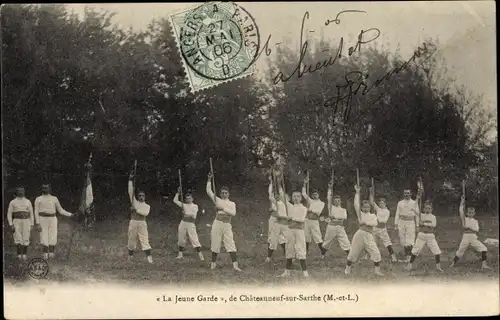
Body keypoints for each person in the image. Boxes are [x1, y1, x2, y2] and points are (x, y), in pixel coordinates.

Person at [206, 172, 242, 271]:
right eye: (222, 193)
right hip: (217, 223)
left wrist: (221, 208)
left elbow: (233, 213)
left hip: (227, 225)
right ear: (220, 194)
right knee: (215, 243)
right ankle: (213, 264)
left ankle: (235, 265)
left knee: (230, 243)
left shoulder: (232, 203)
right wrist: (209, 179)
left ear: (228, 194)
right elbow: (209, 191)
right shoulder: (217, 200)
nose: (224, 194)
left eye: (226, 193)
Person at [345, 185, 383, 276]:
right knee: (353, 252)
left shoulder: (373, 215)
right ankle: (347, 269)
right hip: (360, 235)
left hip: (369, 235)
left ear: (370, 208)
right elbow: (356, 204)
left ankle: (377, 271)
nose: (366, 209)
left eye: (368, 207)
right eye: (364, 207)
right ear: (361, 208)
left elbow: (374, 223)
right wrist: (357, 192)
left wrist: (365, 222)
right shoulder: (360, 214)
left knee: (376, 252)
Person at [450, 195, 491, 270]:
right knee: (460, 251)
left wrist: (469, 227)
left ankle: (484, 265)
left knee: (484, 249)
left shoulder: (475, 221)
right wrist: (462, 201)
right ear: (467, 213)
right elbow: (461, 210)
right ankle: (453, 264)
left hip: (473, 237)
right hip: (466, 237)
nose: (470, 213)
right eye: (469, 212)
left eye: (472, 212)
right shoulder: (464, 219)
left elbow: (477, 229)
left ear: (474, 213)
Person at [34, 184, 74, 259]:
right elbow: (36, 211)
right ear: (42, 189)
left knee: (53, 235)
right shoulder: (38, 199)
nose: (45, 189)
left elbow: (61, 210)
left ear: (50, 189)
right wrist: (38, 223)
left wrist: (71, 214)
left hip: (52, 219)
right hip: (42, 219)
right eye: (44, 188)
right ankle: (45, 254)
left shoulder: (54, 198)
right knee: (43, 235)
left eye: (47, 188)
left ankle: (51, 254)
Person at [405, 201, 443, 272]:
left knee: (436, 251)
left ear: (431, 209)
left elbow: (434, 225)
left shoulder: (433, 217)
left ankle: (438, 267)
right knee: (415, 250)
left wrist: (424, 223)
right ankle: (409, 266)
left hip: (430, 236)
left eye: (429, 208)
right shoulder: (421, 215)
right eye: (426, 208)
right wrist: (418, 195)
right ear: (424, 209)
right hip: (421, 235)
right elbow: (413, 209)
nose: (427, 209)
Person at [279, 190, 309, 278]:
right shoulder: (290, 207)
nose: (296, 198)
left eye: (298, 196)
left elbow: (302, 219)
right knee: (289, 249)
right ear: (292, 198)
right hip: (290, 230)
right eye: (294, 196)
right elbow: (282, 196)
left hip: (299, 231)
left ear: (301, 198)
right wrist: (279, 181)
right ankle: (287, 271)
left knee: (301, 249)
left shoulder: (303, 208)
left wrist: (291, 218)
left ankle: (305, 272)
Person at [127, 171, 153, 263]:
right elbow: (130, 191)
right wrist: (130, 179)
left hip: (142, 223)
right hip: (133, 221)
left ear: (145, 197)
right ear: (138, 197)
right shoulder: (134, 202)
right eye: (139, 195)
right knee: (131, 238)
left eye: (143, 195)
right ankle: (130, 256)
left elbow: (145, 213)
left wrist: (135, 210)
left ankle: (149, 257)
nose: (141, 197)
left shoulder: (147, 206)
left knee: (144, 239)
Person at [321, 181, 351, 259]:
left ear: (340, 201)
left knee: (345, 241)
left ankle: (350, 256)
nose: (336, 202)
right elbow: (329, 197)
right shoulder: (331, 207)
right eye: (335, 201)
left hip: (340, 227)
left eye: (338, 200)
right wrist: (330, 188)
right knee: (327, 241)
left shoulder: (343, 210)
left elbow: (343, 217)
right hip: (331, 227)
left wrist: (333, 216)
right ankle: (323, 255)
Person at [173, 188, 204, 261]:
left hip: (190, 224)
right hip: (183, 223)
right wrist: (178, 193)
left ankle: (200, 255)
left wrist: (185, 214)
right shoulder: (184, 205)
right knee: (181, 238)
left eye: (189, 198)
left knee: (194, 239)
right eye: (187, 199)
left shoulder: (195, 206)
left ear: (192, 199)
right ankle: (180, 254)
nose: (188, 200)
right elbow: (175, 201)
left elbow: (194, 216)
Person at [369, 187, 398, 262]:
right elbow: (372, 202)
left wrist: (376, 219)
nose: (380, 204)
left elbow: (384, 221)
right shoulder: (378, 209)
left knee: (387, 243)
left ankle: (393, 257)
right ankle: (371, 256)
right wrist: (371, 193)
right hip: (375, 229)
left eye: (382, 203)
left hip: (382, 229)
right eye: (380, 203)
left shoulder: (387, 211)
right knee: (372, 242)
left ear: (385, 204)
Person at [7, 187, 35, 261]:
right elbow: (9, 214)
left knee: (26, 237)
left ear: (24, 192)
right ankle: (19, 255)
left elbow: (31, 213)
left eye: (22, 191)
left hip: (26, 221)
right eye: (19, 191)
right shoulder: (13, 202)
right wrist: (11, 224)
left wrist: (32, 224)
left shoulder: (28, 201)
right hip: (16, 221)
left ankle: (24, 254)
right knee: (17, 237)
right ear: (16, 192)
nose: (21, 192)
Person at [301, 177, 327, 256]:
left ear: (318, 195)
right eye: (313, 194)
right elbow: (303, 193)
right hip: (306, 220)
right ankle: (305, 252)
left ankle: (323, 252)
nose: (314, 196)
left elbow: (318, 212)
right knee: (306, 236)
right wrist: (304, 183)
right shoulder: (310, 201)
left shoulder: (321, 203)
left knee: (317, 237)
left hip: (314, 221)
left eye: (316, 194)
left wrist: (309, 210)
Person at [394, 188, 421, 262]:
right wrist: (396, 224)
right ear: (403, 194)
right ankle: (408, 255)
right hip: (401, 222)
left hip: (410, 222)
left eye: (408, 193)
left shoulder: (414, 203)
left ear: (410, 194)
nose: (406, 194)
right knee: (402, 240)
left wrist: (417, 225)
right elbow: (397, 214)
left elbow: (417, 215)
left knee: (410, 240)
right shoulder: (400, 203)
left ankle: (408, 257)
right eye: (405, 193)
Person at [265, 179, 289, 262]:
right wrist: (271, 182)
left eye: (278, 195)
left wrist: (279, 183)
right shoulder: (274, 201)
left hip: (282, 220)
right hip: (273, 220)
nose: (277, 196)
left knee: (282, 237)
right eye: (275, 195)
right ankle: (269, 257)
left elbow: (281, 192)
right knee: (271, 237)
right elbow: (270, 193)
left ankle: (287, 254)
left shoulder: (284, 202)